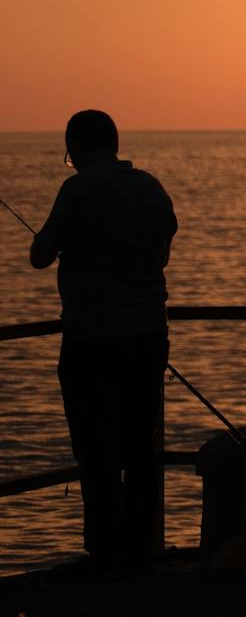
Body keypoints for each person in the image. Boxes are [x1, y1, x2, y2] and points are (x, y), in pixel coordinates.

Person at [28, 110, 177, 569]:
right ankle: (140, 546)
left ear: (75, 147)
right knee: (139, 444)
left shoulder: (78, 189)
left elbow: (40, 255)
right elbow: (163, 246)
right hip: (147, 334)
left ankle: (105, 548)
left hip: (91, 336)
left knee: (95, 446)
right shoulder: (150, 188)